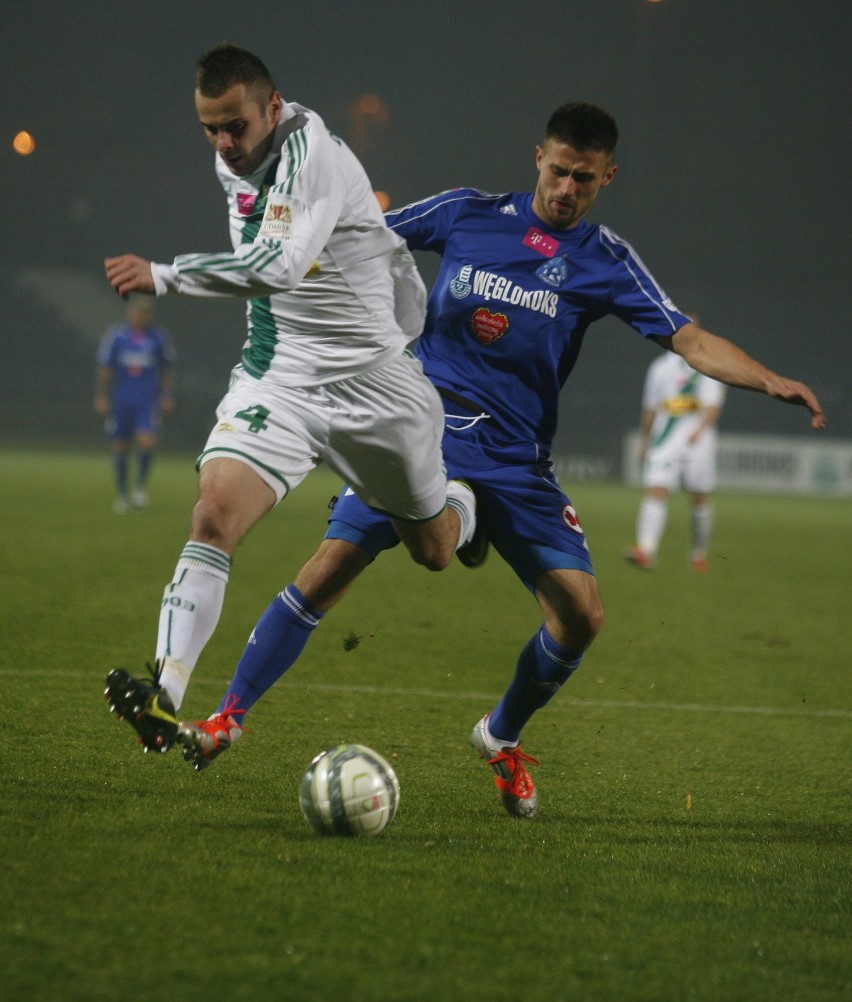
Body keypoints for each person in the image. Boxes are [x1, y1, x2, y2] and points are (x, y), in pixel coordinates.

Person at [174, 101, 826, 821]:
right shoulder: (467, 213)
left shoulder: (606, 261)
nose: (566, 189)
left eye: (583, 178)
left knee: (582, 616)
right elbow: (363, 241)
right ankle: (225, 718)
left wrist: (767, 379)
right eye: (557, 171)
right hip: (419, 422)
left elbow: (688, 339)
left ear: (607, 177)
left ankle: (500, 733)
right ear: (537, 159)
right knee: (331, 565)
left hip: (516, 457)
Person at [102, 43, 478, 755]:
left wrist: (166, 274)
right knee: (213, 513)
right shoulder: (235, 157)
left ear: (272, 109)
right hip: (282, 375)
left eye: (235, 126)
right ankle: (165, 691)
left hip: (378, 385)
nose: (223, 143)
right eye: (210, 128)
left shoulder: (317, 156)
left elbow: (277, 263)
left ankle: (464, 503)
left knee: (434, 550)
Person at [625, 314, 727, 572]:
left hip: (697, 441)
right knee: (657, 489)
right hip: (665, 437)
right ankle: (645, 550)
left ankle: (699, 553)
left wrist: (700, 430)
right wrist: (644, 440)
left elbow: (713, 405)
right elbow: (650, 408)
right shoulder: (660, 367)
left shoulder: (707, 365)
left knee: (699, 497)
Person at [94, 297, 176, 512]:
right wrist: (102, 396)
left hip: (147, 401)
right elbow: (105, 368)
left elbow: (167, 368)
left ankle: (139, 489)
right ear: (129, 314)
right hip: (122, 400)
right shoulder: (117, 337)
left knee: (146, 442)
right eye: (136, 312)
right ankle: (122, 494)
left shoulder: (158, 338)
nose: (139, 317)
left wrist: (167, 395)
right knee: (120, 445)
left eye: (144, 313)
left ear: (149, 316)